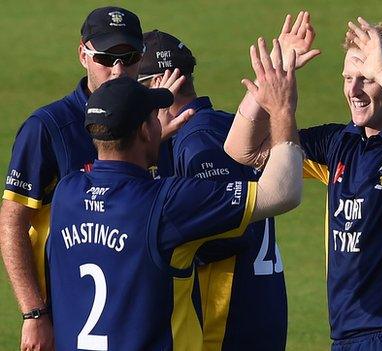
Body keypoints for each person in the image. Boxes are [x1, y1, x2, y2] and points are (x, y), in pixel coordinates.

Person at [46, 35, 303, 350]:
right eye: (154, 119)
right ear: (144, 130)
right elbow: (283, 192)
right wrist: (281, 110)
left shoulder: (68, 192)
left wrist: (147, 140)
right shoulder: (166, 202)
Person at [225, 16, 382, 351]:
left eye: (367, 79)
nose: (353, 90)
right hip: (346, 338)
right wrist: (271, 80)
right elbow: (242, 150)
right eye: (348, 78)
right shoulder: (339, 143)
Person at [0, 7, 192, 350]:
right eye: (106, 58)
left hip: (142, 324)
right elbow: (12, 223)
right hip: (69, 320)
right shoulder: (48, 128)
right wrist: (34, 314)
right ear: (83, 54)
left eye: (130, 58)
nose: (118, 71)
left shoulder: (154, 122)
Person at [137, 26, 308, 350]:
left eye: (137, 88)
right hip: (254, 311)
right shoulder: (226, 124)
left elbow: (228, 229)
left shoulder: (197, 142)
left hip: (225, 321)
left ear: (160, 84)